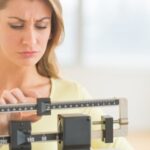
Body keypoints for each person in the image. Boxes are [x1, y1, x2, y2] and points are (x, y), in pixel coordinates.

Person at [0, 0, 134, 150]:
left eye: (41, 25)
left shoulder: (73, 94)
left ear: (51, 30)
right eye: (16, 25)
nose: (30, 40)